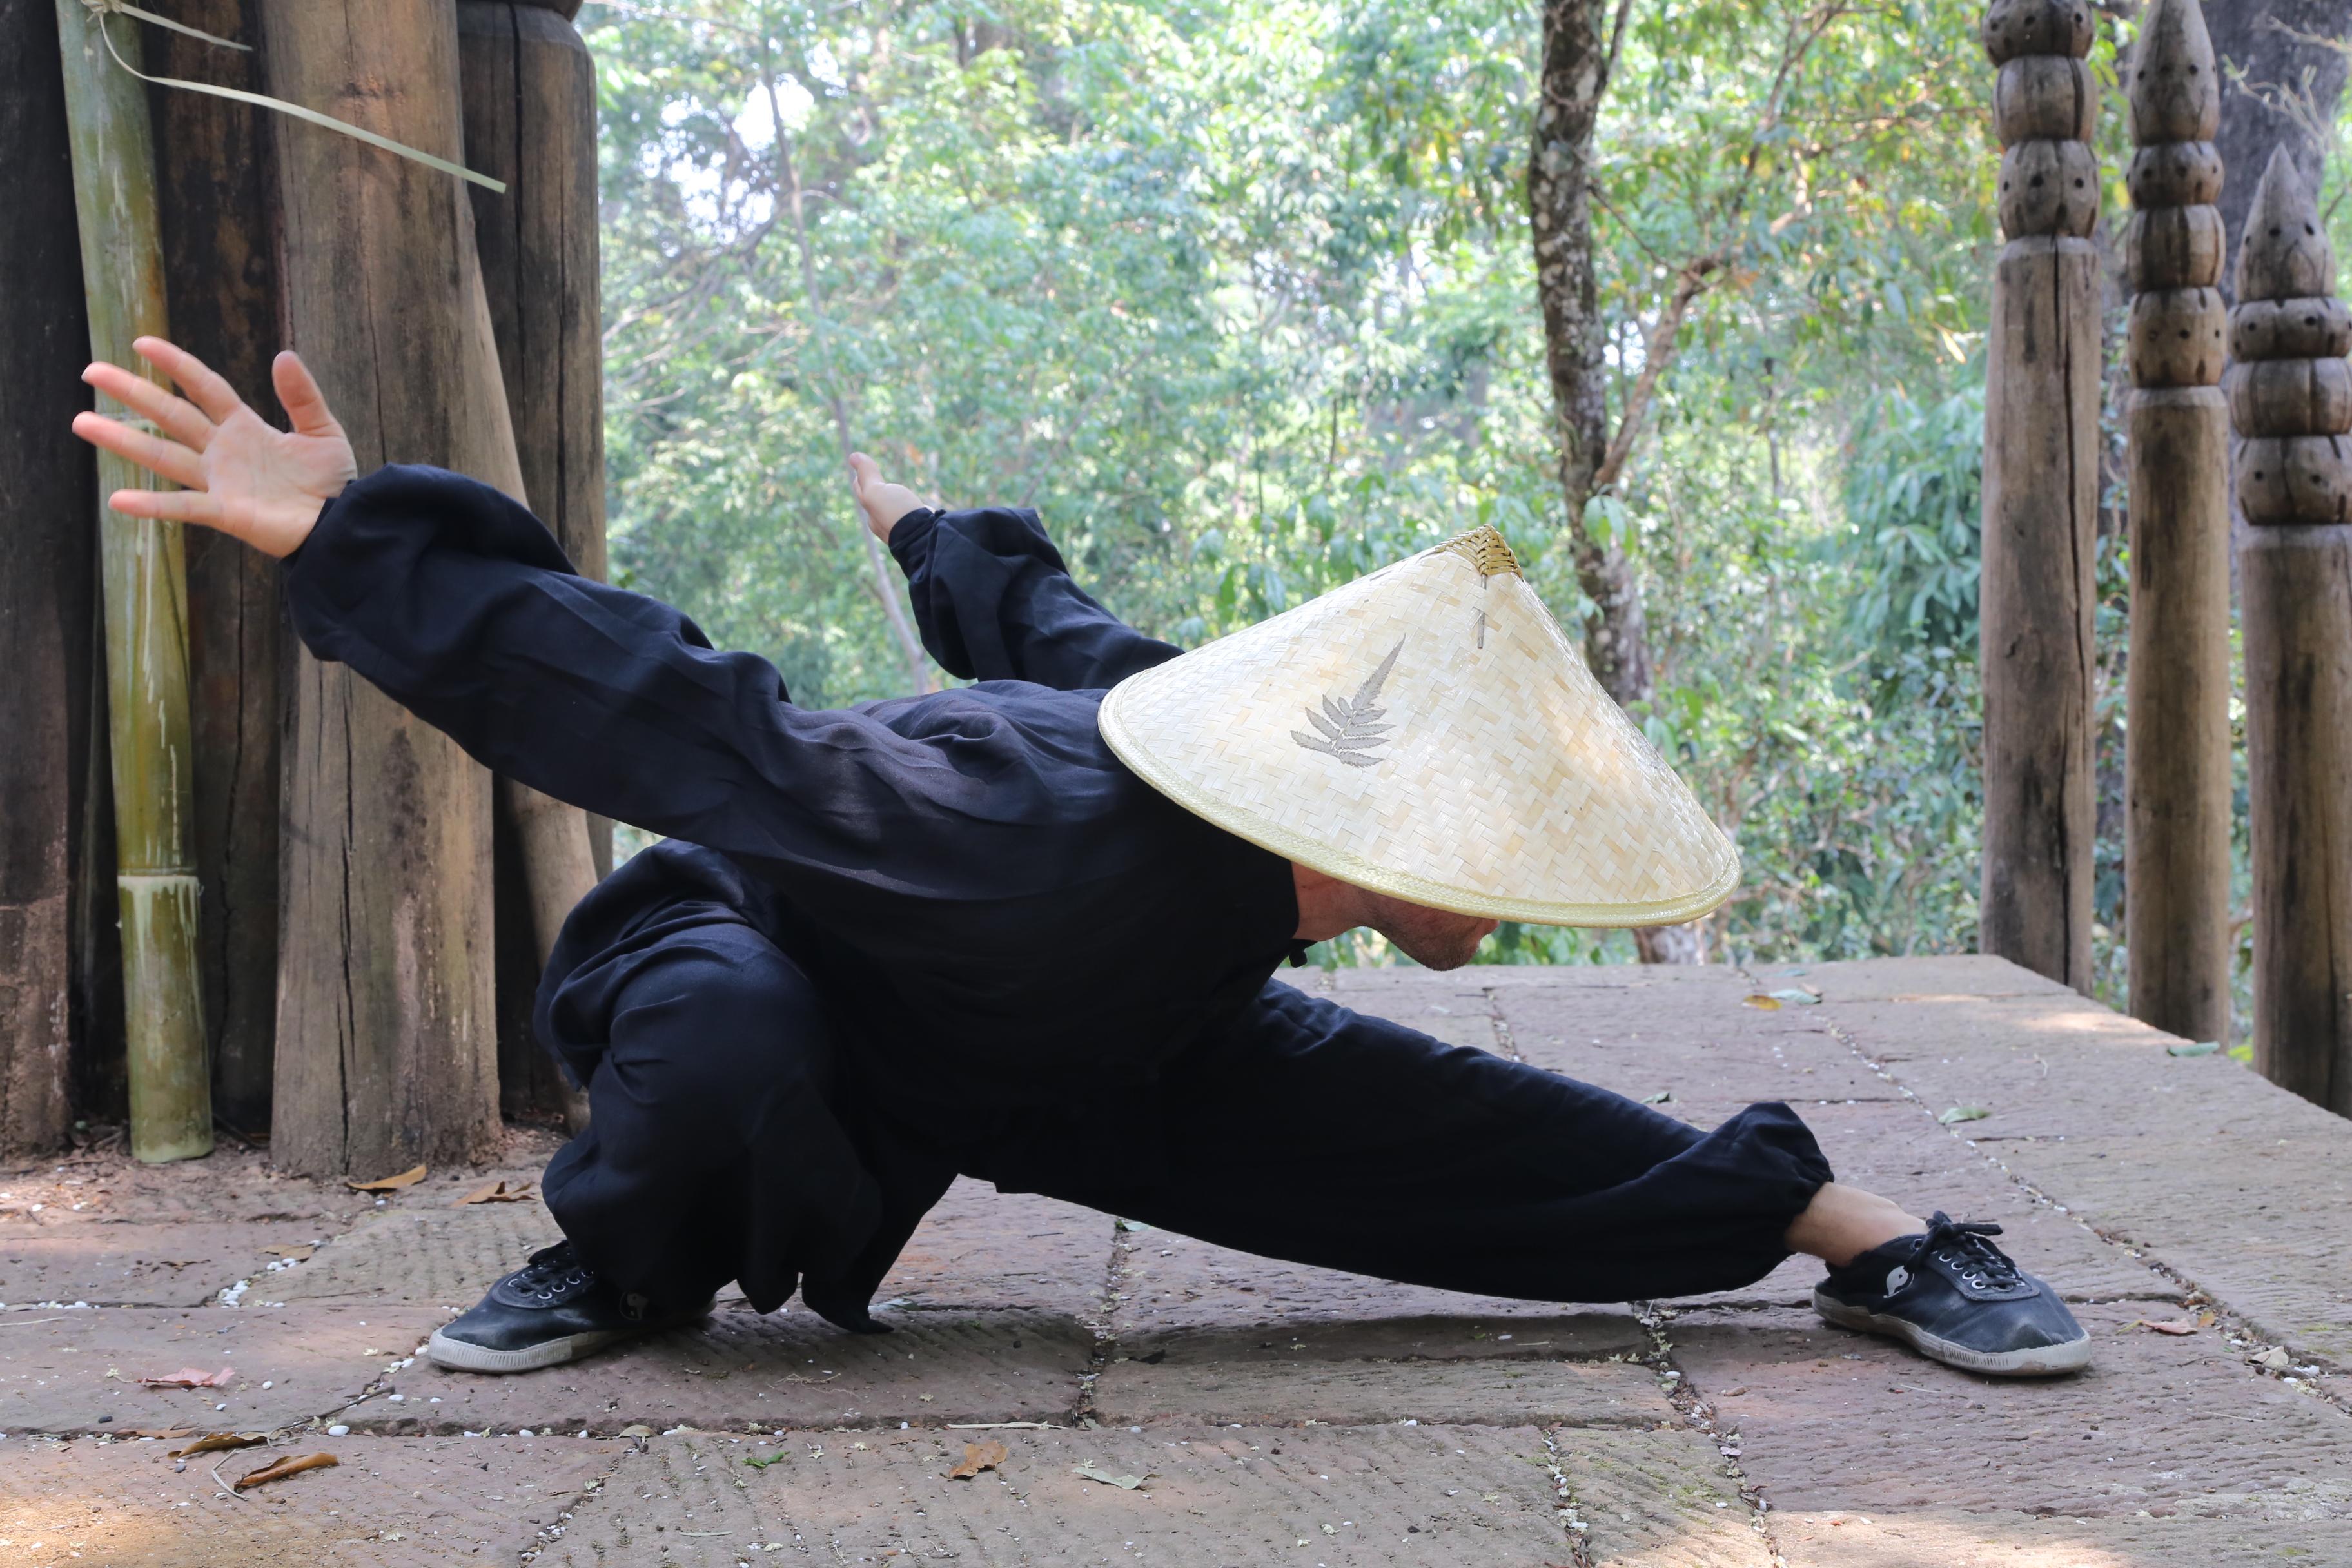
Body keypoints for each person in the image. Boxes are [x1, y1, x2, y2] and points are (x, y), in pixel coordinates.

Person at [70, 337, 2092, 1379]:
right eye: (1492, 851)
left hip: (1085, 1040)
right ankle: (614, 1262)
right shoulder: (1020, 833)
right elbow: (696, 723)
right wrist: (362, 541)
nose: (1499, 896)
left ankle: (1871, 1238)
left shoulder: (1223, 754)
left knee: (1459, 1150)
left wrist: (931, 534)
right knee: (726, 1040)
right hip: (770, 965)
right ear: (1388, 858)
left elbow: (1053, 626)